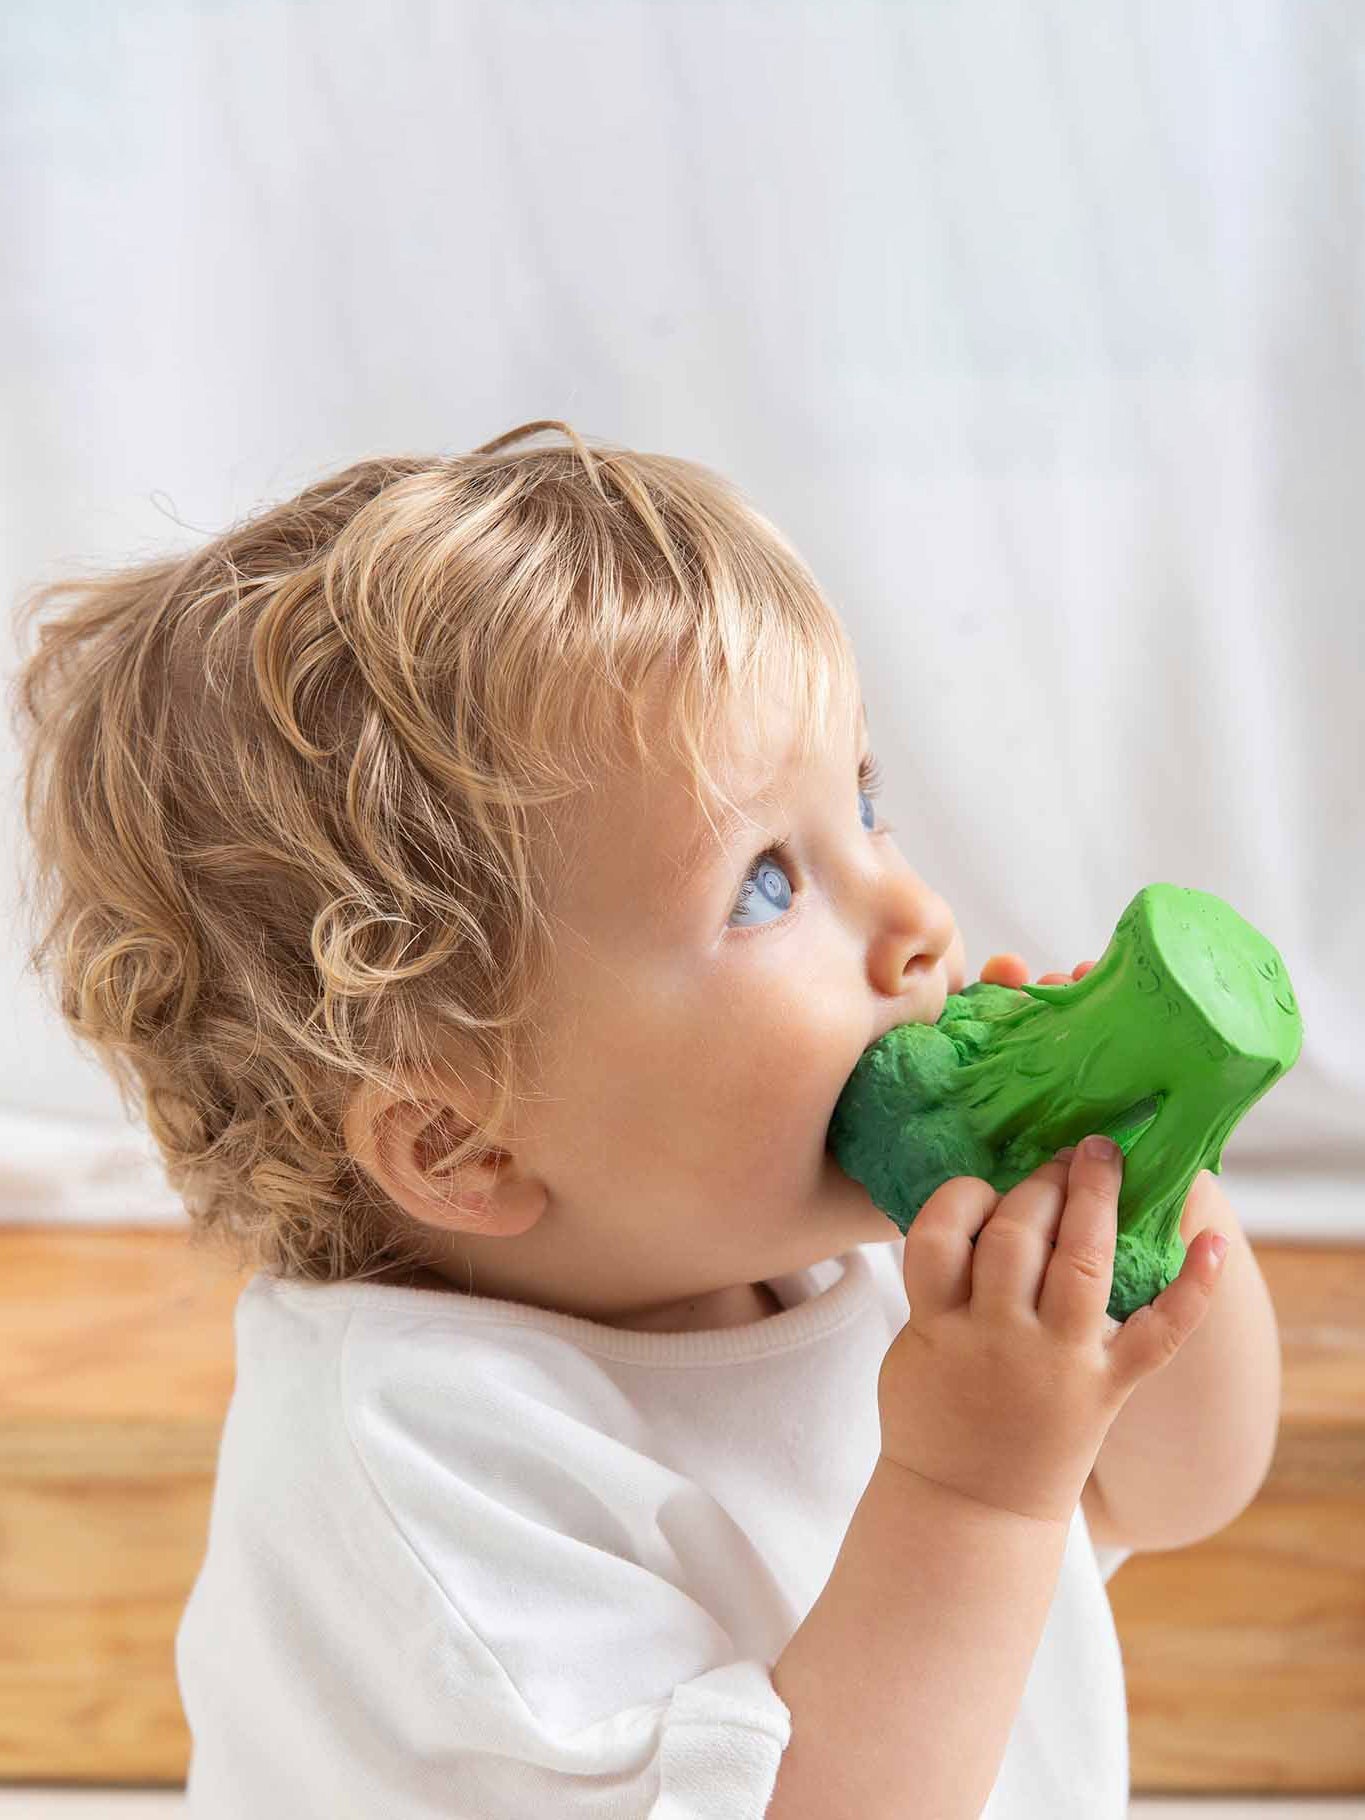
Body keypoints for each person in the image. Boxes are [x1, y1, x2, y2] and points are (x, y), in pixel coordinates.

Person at [12, 421, 1236, 1818]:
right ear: (463, 1144)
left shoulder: (815, 1252)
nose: (918, 923)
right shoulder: (423, 1450)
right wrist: (972, 1493)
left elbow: (1172, 1488)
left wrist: (1152, 1172)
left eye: (864, 803)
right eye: (766, 886)